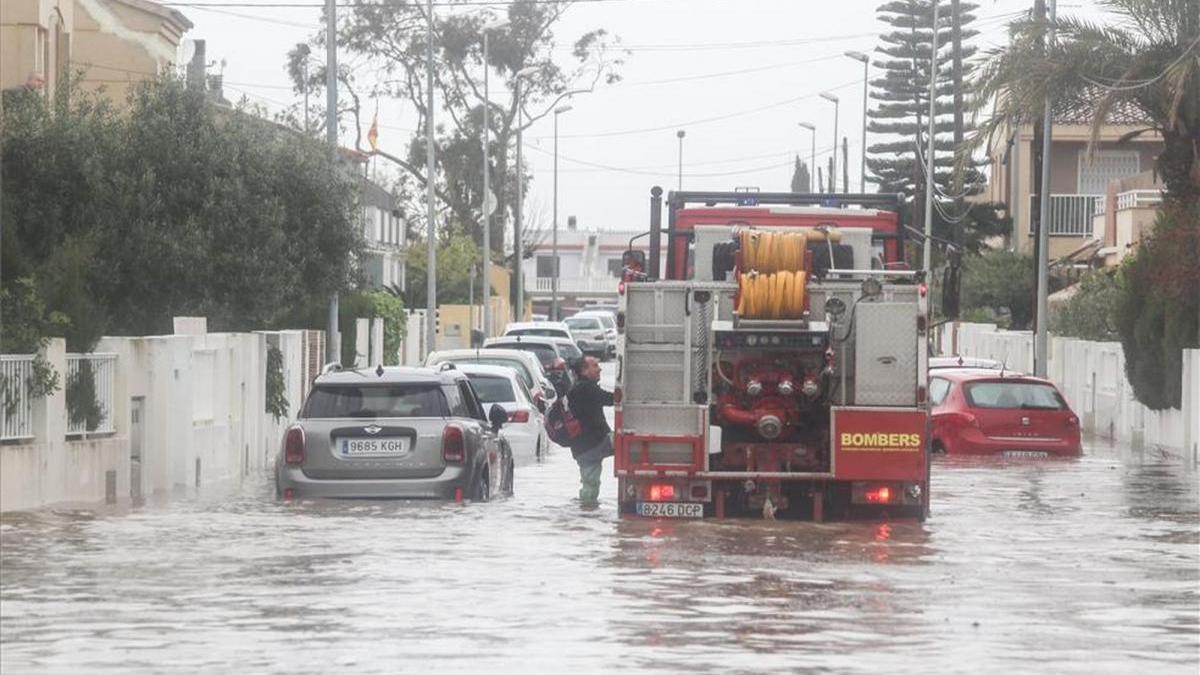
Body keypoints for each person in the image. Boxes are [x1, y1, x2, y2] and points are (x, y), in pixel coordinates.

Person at [567, 356, 614, 507]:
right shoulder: (587, 388)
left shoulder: (575, 388)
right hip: (597, 444)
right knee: (628, 443)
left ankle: (586, 516)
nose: (599, 368)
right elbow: (613, 399)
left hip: (581, 449)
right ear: (584, 370)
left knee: (590, 487)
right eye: (595, 366)